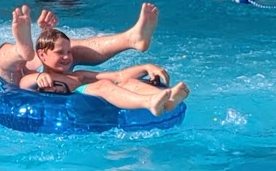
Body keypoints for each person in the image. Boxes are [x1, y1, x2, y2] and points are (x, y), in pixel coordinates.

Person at [0, 0, 159, 90]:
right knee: (5, 60)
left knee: (63, 50)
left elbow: (39, 64)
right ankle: (22, 48)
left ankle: (131, 39)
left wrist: (46, 36)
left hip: (19, 84)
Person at [19, 29, 188, 115]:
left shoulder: (78, 75)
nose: (66, 57)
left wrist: (146, 67)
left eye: (69, 52)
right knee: (103, 86)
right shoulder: (39, 76)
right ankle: (149, 102)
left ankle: (168, 99)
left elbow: (118, 76)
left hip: (85, 96)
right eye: (59, 53)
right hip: (73, 104)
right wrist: (40, 77)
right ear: (42, 55)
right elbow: (23, 83)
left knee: (127, 83)